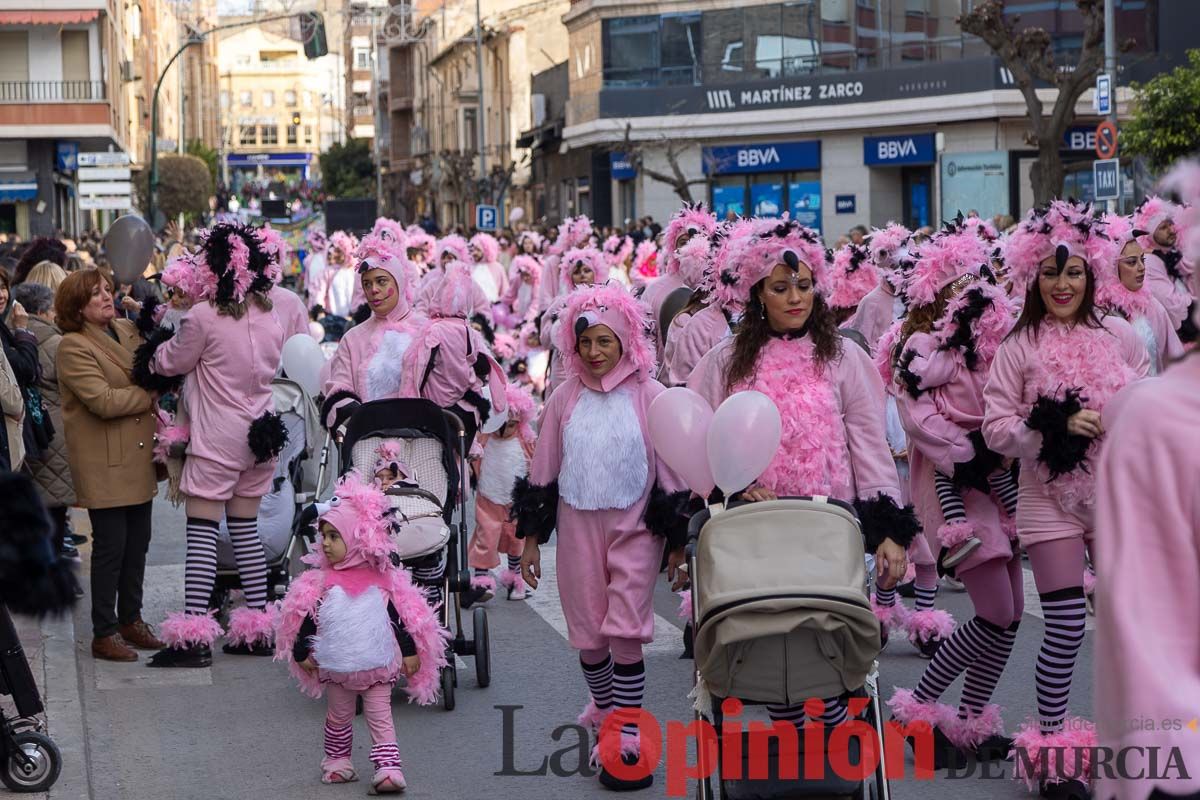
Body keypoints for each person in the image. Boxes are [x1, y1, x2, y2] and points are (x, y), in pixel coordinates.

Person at [687, 217, 917, 729]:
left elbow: (870, 448)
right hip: (754, 533)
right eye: (781, 287)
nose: (795, 297)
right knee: (770, 649)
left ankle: (825, 747)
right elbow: (697, 440)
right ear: (757, 294)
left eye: (805, 285)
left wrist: (888, 532)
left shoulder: (845, 358)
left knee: (823, 648)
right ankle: (804, 751)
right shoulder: (724, 362)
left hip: (826, 533)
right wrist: (730, 489)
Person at [982, 200, 1149, 800]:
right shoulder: (1018, 346)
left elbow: (1144, 405)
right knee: (1066, 627)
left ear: (1091, 275)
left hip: (1115, 500)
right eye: (1052, 273)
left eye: (1074, 272)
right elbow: (994, 428)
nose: (1063, 284)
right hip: (1046, 501)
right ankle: (1052, 752)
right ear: (1035, 277)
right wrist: (1051, 427)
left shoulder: (1121, 336)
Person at [514, 283, 693, 792]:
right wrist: (530, 541)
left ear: (625, 340)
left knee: (626, 629)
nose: (594, 353)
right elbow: (543, 470)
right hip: (577, 527)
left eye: (604, 342)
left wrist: (678, 542)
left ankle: (625, 735)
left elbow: (672, 473)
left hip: (636, 527)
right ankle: (606, 704)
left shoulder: (650, 395)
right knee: (590, 634)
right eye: (586, 342)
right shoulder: (564, 397)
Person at [883, 223, 1024, 769]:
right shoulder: (918, 348)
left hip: (1000, 487)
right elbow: (918, 421)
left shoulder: (991, 342)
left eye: (976, 278)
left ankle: (969, 722)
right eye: (957, 281)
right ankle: (912, 710)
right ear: (935, 291)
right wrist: (973, 450)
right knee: (994, 611)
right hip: (955, 491)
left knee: (1010, 618)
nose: (971, 289)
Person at [132, 223, 289, 668]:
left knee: (201, 535)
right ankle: (257, 629)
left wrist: (155, 348)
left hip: (217, 439)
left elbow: (171, 361)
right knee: (246, 534)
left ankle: (195, 638)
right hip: (260, 437)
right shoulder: (269, 313)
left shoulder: (203, 317)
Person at [1093, 161, 1200, 800]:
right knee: (1031, 617)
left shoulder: (1156, 311)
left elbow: (1159, 352)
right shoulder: (1163, 425)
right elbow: (1150, 649)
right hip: (1060, 477)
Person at [274, 476, 447, 794]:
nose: (324, 543)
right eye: (323, 535)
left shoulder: (381, 581)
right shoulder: (323, 583)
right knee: (338, 717)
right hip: (337, 668)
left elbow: (396, 618)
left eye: (333, 536)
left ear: (356, 540)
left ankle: (388, 768)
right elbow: (309, 621)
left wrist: (409, 652)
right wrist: (302, 652)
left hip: (378, 668)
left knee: (380, 718)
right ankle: (337, 762)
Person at [55, 269, 164, 662]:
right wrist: (149, 392)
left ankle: (130, 619)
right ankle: (104, 631)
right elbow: (102, 400)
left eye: (106, 290)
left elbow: (157, 359)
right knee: (111, 548)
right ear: (76, 307)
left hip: (137, 457)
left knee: (138, 545)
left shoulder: (126, 328)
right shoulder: (73, 346)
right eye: (95, 294)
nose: (106, 297)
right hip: (105, 461)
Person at [320, 237, 423, 433]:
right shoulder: (353, 338)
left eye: (381, 281)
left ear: (399, 282)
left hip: (422, 443)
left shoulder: (425, 331)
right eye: (367, 284)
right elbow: (339, 388)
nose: (373, 290)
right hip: (367, 442)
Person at [12, 282, 77, 560]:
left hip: (28, 434)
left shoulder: (15, 338)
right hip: (55, 437)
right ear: (42, 310)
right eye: (52, 309)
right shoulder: (57, 343)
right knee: (55, 516)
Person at [464, 382, 536, 605]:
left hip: (516, 499)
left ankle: (515, 579)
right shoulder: (485, 439)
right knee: (486, 535)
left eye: (513, 425)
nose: (506, 429)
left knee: (516, 538)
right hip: (489, 496)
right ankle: (482, 581)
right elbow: (470, 451)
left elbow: (537, 460)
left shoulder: (524, 441)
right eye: (502, 424)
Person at [1094, 212, 1184, 376]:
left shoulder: (1151, 305)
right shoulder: (1096, 311)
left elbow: (1176, 358)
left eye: (1142, 259)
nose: (1142, 267)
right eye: (1132, 262)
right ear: (1111, 268)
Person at [1135, 196, 1196, 341]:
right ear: (1149, 234)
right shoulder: (1148, 262)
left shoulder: (1171, 255)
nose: (1171, 230)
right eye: (1163, 227)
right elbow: (1173, 306)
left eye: (1170, 224)